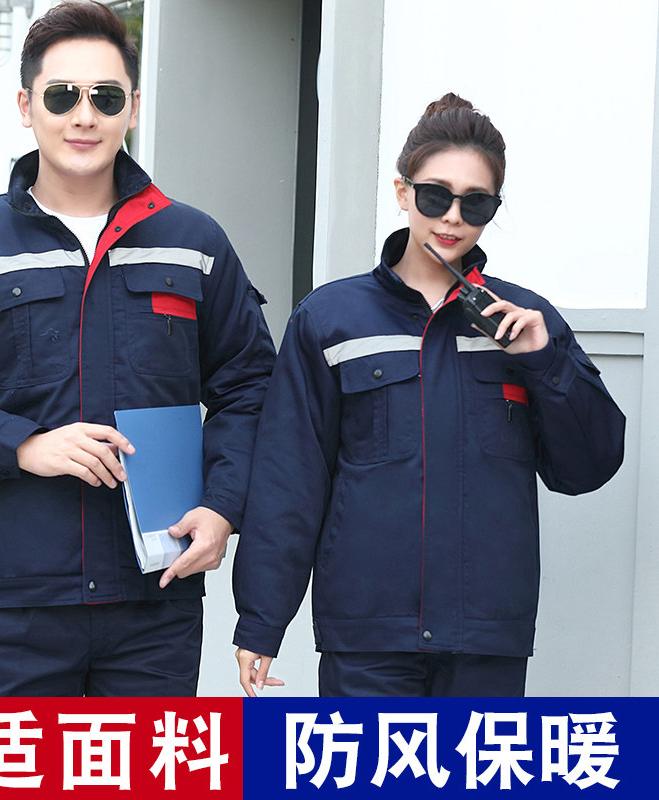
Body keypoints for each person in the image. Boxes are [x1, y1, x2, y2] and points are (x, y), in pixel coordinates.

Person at [0, 0, 275, 697]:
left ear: (133, 109)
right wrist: (22, 445)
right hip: (17, 600)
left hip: (155, 593)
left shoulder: (194, 243)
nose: (84, 115)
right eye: (62, 96)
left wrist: (223, 506)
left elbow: (251, 388)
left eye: (106, 97)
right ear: (26, 106)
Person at [232, 93, 625, 697]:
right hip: (368, 638)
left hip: (485, 638)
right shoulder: (330, 320)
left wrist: (544, 360)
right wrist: (262, 621)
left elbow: (587, 468)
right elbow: (291, 479)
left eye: (476, 203)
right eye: (436, 196)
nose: (452, 218)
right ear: (402, 192)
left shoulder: (527, 321)